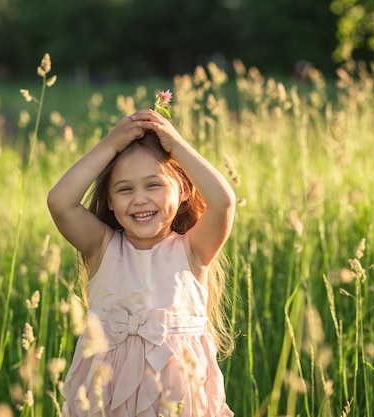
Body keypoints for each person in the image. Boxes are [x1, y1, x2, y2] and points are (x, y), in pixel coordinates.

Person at [47, 108, 235, 417]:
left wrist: (175, 145)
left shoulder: (193, 251)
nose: (139, 199)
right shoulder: (102, 248)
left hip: (177, 401)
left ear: (184, 190)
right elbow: (60, 202)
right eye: (124, 189)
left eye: (154, 185)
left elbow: (224, 202)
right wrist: (111, 143)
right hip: (107, 399)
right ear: (109, 200)